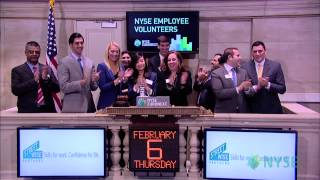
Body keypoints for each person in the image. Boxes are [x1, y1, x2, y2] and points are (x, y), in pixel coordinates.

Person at [11, 41, 60, 113]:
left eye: (37, 52)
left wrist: (46, 79)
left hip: (48, 111)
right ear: (26, 53)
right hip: (28, 111)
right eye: (31, 52)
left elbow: (57, 89)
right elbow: (15, 90)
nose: (34, 54)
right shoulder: (17, 70)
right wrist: (34, 81)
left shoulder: (47, 69)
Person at [57, 32, 100, 113]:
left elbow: (93, 88)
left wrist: (95, 80)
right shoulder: (64, 62)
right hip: (72, 108)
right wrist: (80, 83)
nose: (80, 45)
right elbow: (63, 87)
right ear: (71, 45)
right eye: (77, 43)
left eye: (81, 43)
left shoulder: (89, 62)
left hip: (89, 107)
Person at [242, 41, 286, 113]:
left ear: (265, 51)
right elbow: (243, 91)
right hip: (251, 110)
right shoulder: (245, 67)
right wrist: (255, 87)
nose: (257, 54)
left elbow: (282, 89)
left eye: (260, 51)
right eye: (255, 51)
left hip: (272, 110)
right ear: (252, 53)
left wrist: (268, 84)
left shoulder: (275, 66)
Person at [211, 48, 254, 113]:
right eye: (238, 55)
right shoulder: (216, 73)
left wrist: (247, 89)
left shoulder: (243, 72)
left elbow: (250, 93)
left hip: (242, 113)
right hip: (224, 114)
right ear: (230, 57)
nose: (241, 58)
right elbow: (219, 93)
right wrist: (239, 88)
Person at [97, 42, 132, 109]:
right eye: (112, 51)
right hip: (105, 104)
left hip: (119, 104)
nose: (115, 54)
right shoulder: (102, 66)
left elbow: (122, 87)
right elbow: (102, 87)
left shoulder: (121, 66)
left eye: (117, 52)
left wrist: (125, 80)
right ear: (107, 52)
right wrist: (116, 81)